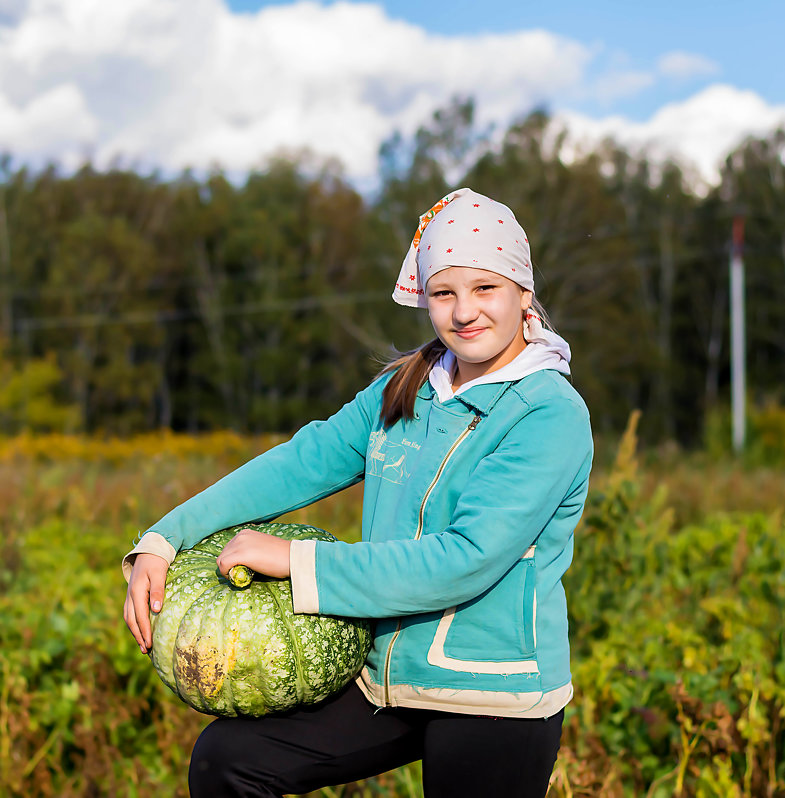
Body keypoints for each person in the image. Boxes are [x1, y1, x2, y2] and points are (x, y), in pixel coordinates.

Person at [122, 188, 593, 797]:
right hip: (385, 677)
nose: (464, 312)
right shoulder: (409, 386)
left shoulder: (548, 412)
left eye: (486, 289)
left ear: (523, 295)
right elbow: (299, 464)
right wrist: (165, 537)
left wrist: (293, 561)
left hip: (493, 692)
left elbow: (464, 561)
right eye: (443, 293)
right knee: (229, 762)